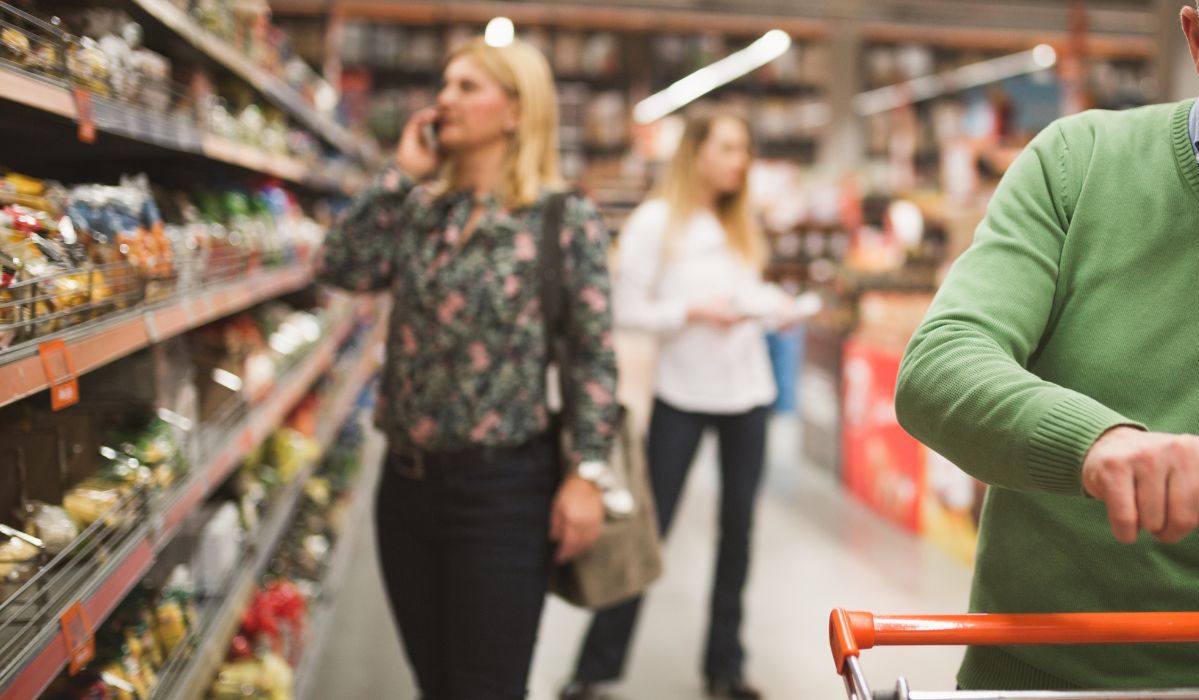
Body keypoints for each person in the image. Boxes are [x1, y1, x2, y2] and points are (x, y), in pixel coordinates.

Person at [894, 4, 1199, 691]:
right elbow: (939, 363)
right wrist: (1096, 444)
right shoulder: (1080, 163)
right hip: (1049, 671)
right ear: (1194, 37)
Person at [318, 37, 619, 700]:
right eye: (444, 85)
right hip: (405, 488)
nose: (444, 99)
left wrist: (586, 475)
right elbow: (339, 264)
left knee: (486, 688)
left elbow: (594, 354)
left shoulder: (561, 220)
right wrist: (399, 174)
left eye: (466, 87)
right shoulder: (423, 209)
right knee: (435, 685)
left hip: (504, 492)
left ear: (515, 112)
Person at [561, 112, 812, 700]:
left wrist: (770, 305)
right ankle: (594, 669)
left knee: (738, 534)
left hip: (746, 395)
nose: (739, 160)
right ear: (696, 152)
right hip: (683, 396)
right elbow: (626, 311)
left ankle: (725, 666)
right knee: (649, 531)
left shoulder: (739, 224)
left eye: (745, 149)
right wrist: (692, 312)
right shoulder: (655, 223)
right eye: (728, 147)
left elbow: (745, 294)